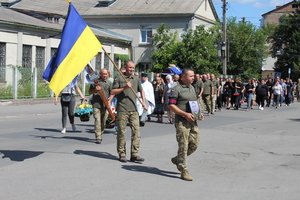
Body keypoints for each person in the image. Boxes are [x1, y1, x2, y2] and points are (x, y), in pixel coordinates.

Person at [111, 60, 147, 163]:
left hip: (134, 109)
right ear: (125, 67)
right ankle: (122, 153)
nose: (131, 70)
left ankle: (134, 154)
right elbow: (113, 91)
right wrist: (124, 88)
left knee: (136, 132)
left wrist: (144, 102)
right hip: (122, 109)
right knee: (121, 132)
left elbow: (142, 90)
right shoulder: (119, 77)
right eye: (130, 68)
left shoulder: (135, 78)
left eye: (133, 68)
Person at [168, 69, 200, 181]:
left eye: (193, 76)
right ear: (183, 77)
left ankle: (178, 159)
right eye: (191, 76)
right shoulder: (176, 89)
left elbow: (194, 102)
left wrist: (199, 113)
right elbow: (171, 106)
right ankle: (183, 170)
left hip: (192, 121)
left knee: (194, 144)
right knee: (183, 145)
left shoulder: (192, 87)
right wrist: (184, 114)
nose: (193, 77)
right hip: (182, 121)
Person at [89, 68, 114, 144]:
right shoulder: (95, 82)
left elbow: (112, 93)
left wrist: (110, 99)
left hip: (105, 105)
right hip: (96, 104)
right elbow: (90, 92)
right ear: (100, 74)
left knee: (103, 121)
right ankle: (98, 136)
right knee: (97, 120)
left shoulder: (109, 83)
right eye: (103, 74)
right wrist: (95, 90)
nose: (105, 75)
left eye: (106, 74)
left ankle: (101, 133)